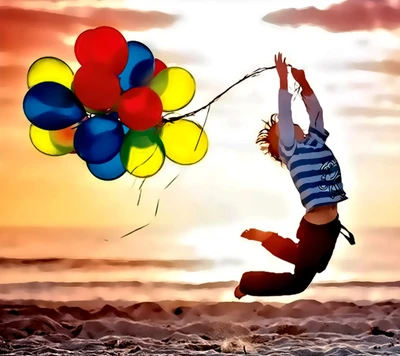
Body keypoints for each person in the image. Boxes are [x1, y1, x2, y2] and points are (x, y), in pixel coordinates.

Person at [234, 52, 355, 300]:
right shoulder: (291, 151)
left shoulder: (315, 140)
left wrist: (304, 82)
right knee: (298, 283)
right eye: (283, 130)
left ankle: (268, 239)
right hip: (315, 227)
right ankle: (247, 283)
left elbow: (317, 113)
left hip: (331, 224)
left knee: (315, 265)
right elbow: (286, 116)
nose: (289, 126)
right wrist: (282, 80)